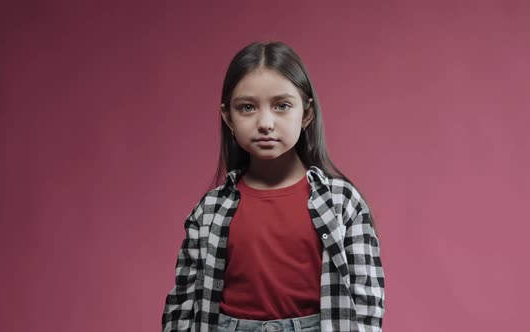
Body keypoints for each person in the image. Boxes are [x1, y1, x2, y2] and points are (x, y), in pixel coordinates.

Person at [162, 41, 385, 332]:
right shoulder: (210, 210)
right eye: (247, 107)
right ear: (228, 116)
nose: (265, 122)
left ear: (306, 113)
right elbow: (183, 304)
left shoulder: (343, 203)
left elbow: (366, 303)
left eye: (282, 106)